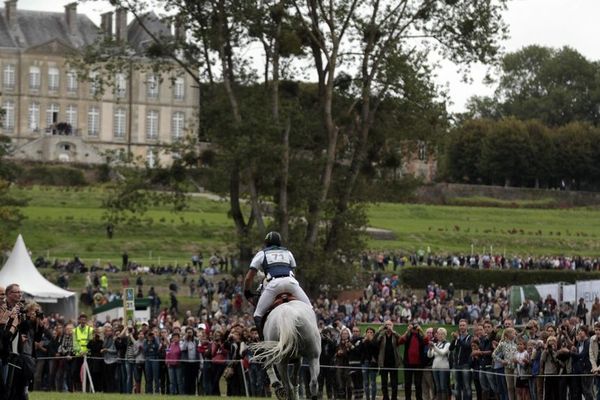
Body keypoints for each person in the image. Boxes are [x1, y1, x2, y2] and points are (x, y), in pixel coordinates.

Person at [242, 231, 312, 337]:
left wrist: (247, 291)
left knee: (258, 315)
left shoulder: (262, 253)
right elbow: (293, 271)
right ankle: (318, 336)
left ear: (266, 243)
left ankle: (264, 345)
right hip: (291, 283)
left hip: (274, 285)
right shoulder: (288, 253)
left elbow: (248, 278)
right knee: (310, 309)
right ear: (279, 242)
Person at [399, 321, 429, 400]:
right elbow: (400, 341)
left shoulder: (420, 336)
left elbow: (427, 341)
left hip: (419, 364)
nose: (414, 329)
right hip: (408, 363)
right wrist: (408, 330)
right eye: (413, 327)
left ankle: (419, 398)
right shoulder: (408, 335)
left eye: (415, 327)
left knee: (418, 383)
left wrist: (421, 330)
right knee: (407, 383)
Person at [375, 320, 402, 400]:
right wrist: (381, 331)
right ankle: (385, 397)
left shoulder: (395, 335)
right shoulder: (382, 335)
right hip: (384, 361)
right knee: (384, 382)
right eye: (386, 325)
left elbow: (401, 339)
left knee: (394, 382)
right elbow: (376, 341)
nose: (388, 326)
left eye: (390, 324)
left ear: (392, 326)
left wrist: (393, 331)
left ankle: (394, 398)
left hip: (394, 362)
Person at [428, 327, 451, 400]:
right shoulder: (436, 344)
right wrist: (430, 348)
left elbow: (442, 352)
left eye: (442, 334)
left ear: (445, 335)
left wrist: (433, 346)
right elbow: (430, 355)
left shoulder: (447, 344)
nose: (440, 336)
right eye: (439, 334)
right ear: (437, 335)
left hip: (443, 368)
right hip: (435, 368)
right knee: (437, 387)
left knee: (443, 386)